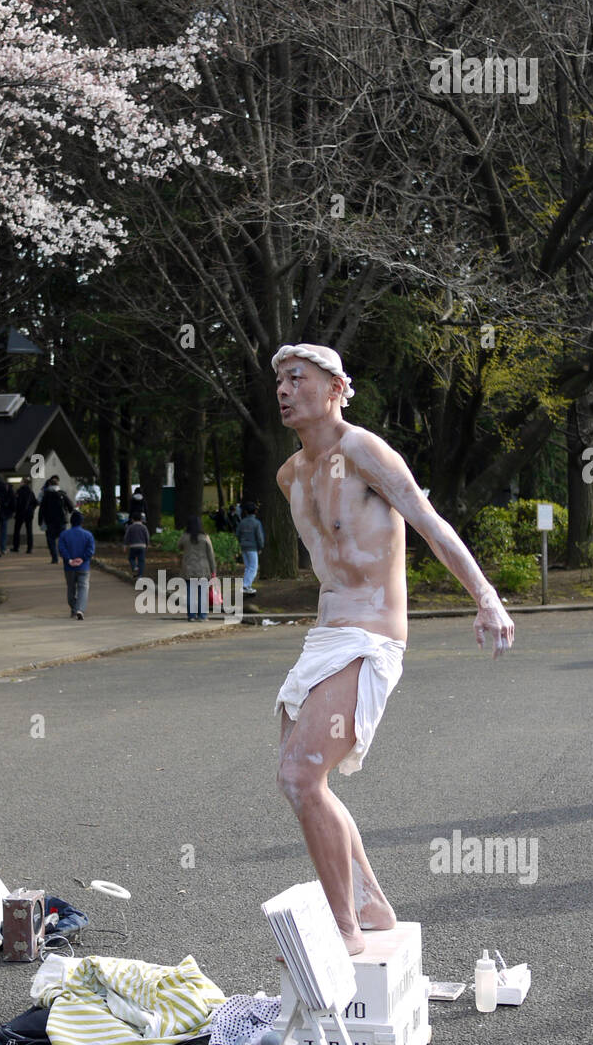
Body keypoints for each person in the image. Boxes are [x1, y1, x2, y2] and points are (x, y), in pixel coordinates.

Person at [271, 342, 515, 955]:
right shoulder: (290, 475)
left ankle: (344, 933)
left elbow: (430, 524)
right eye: (277, 380)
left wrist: (486, 595)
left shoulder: (363, 450)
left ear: (334, 388)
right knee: (310, 781)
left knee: (301, 775)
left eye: (296, 378)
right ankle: (371, 904)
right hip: (323, 639)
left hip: (371, 636)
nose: (282, 389)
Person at [177, 514, 216, 621]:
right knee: (202, 593)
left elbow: (178, 546)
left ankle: (191, 616)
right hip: (203, 569)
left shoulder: (185, 537)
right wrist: (213, 571)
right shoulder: (205, 537)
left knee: (190, 593)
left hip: (188, 569)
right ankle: (202, 616)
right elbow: (211, 555)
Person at [58, 509, 96, 619]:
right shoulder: (88, 535)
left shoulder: (64, 534)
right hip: (83, 566)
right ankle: (79, 609)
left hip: (69, 567)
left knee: (71, 588)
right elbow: (90, 550)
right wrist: (83, 559)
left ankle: (74, 607)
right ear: (82, 522)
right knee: (83, 588)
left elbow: (61, 548)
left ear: (71, 521)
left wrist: (69, 559)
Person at [38, 475, 74, 563]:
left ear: (50, 485)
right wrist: (67, 512)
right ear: (58, 484)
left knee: (51, 540)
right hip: (62, 521)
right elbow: (71, 506)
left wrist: (40, 521)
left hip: (50, 522)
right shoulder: (62, 494)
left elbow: (41, 509)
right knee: (63, 540)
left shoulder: (46, 495)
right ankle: (65, 557)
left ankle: (55, 558)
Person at [235, 500, 264, 595]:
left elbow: (237, 534)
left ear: (246, 512)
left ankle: (247, 586)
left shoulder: (242, 522)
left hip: (244, 547)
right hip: (253, 547)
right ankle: (246, 585)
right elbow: (259, 537)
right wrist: (260, 547)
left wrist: (241, 542)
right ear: (255, 511)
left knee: (248, 567)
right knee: (253, 568)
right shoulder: (256, 523)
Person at [11, 477, 37, 553]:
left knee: (17, 530)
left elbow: (16, 503)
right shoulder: (31, 492)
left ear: (24, 483)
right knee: (29, 531)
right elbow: (35, 503)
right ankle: (29, 548)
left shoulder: (19, 491)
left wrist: (15, 511)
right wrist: (31, 510)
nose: (20, 483)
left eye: (21, 482)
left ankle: (16, 547)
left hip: (20, 514)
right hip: (29, 514)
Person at [0, 474, 15, 556]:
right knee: (4, 531)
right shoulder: (7, 487)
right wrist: (11, 510)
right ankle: (3, 548)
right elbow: (12, 499)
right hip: (5, 512)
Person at [123, 511, 150, 579]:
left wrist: (125, 545)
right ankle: (140, 575)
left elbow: (127, 537)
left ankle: (134, 566)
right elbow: (147, 536)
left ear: (132, 519)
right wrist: (147, 544)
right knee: (141, 560)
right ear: (141, 519)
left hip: (133, 545)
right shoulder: (144, 527)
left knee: (131, 558)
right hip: (142, 546)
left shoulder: (130, 527)